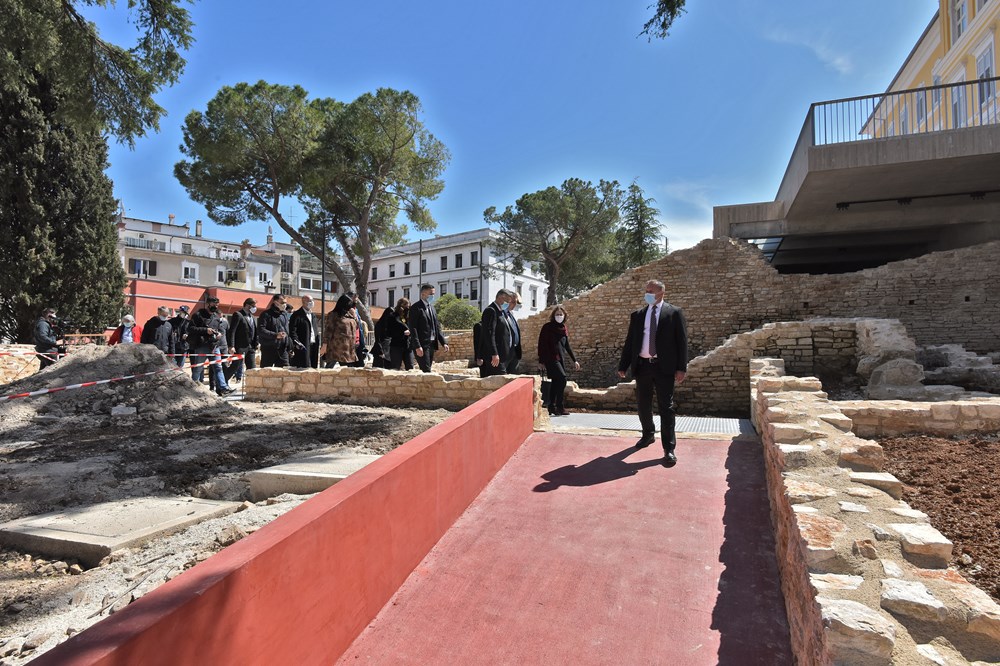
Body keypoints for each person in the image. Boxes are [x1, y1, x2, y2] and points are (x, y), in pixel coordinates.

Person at [618, 279, 688, 467]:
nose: (647, 293)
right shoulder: (638, 315)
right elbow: (630, 341)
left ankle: (669, 448)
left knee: (666, 408)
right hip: (642, 366)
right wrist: (623, 365)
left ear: (661, 292)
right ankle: (648, 434)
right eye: (646, 290)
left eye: (651, 291)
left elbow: (682, 341)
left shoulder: (674, 313)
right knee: (643, 405)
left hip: (664, 367)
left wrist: (681, 368)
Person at [537, 305, 580, 416]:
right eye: (557, 314)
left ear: (564, 316)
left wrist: (574, 360)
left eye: (561, 314)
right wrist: (541, 361)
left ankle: (551, 406)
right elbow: (542, 344)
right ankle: (560, 406)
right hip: (550, 358)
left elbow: (567, 346)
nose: (559, 316)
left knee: (556, 382)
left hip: (560, 358)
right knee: (562, 379)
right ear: (553, 315)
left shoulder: (563, 329)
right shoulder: (547, 327)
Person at [188, 296, 234, 395]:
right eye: (213, 305)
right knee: (198, 368)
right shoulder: (198, 315)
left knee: (218, 367)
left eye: (217, 305)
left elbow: (219, 330)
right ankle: (191, 388)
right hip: (201, 346)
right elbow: (191, 328)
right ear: (207, 304)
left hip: (214, 346)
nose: (215, 307)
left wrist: (219, 334)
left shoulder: (216, 317)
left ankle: (223, 388)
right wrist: (205, 330)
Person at [409, 284, 449, 373]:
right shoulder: (416, 308)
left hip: (431, 343)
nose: (433, 296)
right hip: (422, 345)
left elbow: (437, 327)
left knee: (428, 369)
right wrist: (417, 346)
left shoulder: (432, 308)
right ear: (423, 294)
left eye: (433, 294)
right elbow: (413, 328)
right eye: (431, 294)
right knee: (426, 370)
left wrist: (444, 343)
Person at [480, 288, 514, 377]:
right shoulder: (491, 310)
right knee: (501, 379)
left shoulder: (500, 312)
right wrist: (494, 353)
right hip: (495, 356)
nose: (508, 304)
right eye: (507, 301)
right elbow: (489, 334)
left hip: (503, 355)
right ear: (501, 297)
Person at [226, 298, 259, 382]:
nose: (255, 308)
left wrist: (256, 343)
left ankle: (251, 386)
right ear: (247, 305)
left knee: (252, 369)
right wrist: (231, 346)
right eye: (253, 306)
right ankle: (222, 384)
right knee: (235, 366)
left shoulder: (252, 317)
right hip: (240, 346)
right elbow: (232, 331)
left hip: (251, 347)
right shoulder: (238, 314)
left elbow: (254, 331)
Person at [322, 294, 358, 367]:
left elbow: (356, 326)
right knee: (330, 369)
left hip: (349, 348)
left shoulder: (350, 315)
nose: (350, 305)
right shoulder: (333, 315)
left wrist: (354, 316)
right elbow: (328, 330)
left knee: (348, 371)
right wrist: (324, 345)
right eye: (348, 303)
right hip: (336, 347)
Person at [258, 294, 291, 368]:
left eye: (285, 303)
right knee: (266, 371)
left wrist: (289, 346)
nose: (285, 305)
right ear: (276, 303)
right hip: (269, 348)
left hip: (282, 349)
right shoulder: (266, 314)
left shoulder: (284, 314)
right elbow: (261, 330)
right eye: (282, 303)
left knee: (285, 371)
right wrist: (275, 335)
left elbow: (287, 331)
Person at [289, 295, 321, 369]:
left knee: (313, 367)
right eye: (310, 301)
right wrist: (297, 342)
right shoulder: (297, 315)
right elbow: (292, 331)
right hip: (303, 346)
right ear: (303, 302)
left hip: (314, 345)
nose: (312, 302)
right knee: (304, 366)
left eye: (312, 300)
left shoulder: (313, 315)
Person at [385, 298, 414, 370]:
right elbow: (389, 332)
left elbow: (414, 328)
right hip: (396, 345)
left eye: (408, 306)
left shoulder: (409, 317)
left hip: (408, 345)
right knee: (395, 367)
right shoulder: (393, 316)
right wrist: (402, 333)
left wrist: (410, 332)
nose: (407, 308)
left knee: (410, 366)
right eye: (406, 306)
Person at [345, 292, 368, 367]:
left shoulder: (356, 310)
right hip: (350, 343)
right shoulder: (346, 311)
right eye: (354, 300)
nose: (356, 302)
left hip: (358, 341)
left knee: (360, 365)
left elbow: (358, 323)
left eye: (356, 300)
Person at [504, 291, 524, 373]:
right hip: (505, 351)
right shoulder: (500, 314)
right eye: (513, 302)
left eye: (516, 303)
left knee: (514, 376)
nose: (515, 305)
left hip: (514, 351)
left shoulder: (511, 314)